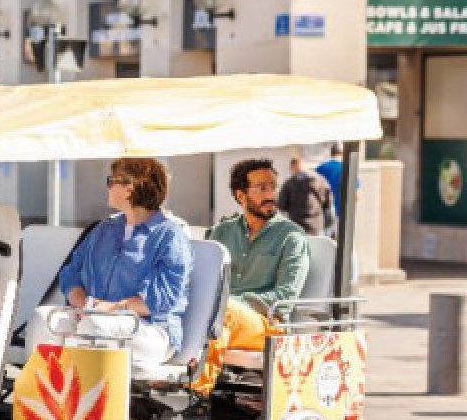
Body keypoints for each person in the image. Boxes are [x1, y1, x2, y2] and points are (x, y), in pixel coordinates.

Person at [27, 157, 192, 368]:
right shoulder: (103, 230)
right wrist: (83, 305)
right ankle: (47, 394)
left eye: (111, 181)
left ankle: (89, 397)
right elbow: (71, 273)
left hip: (150, 330)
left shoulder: (170, 236)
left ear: (130, 188)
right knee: (44, 319)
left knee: (96, 325)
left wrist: (111, 309)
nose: (107, 186)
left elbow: (161, 299)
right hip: (93, 316)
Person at [192, 158, 311, 398]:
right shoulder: (222, 231)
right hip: (223, 317)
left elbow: (286, 296)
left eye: (272, 186)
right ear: (241, 196)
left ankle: (196, 397)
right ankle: (157, 387)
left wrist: (235, 302)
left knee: (222, 311)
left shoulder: (291, 236)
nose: (271, 194)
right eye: (262, 188)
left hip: (267, 322)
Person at [278, 155, 334, 236]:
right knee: (317, 248)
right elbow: (328, 203)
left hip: (296, 226)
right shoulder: (320, 180)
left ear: (292, 167)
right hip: (316, 225)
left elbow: (281, 206)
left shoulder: (289, 183)